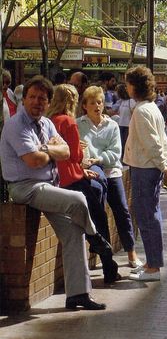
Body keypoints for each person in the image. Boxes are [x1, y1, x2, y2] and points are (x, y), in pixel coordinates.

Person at [0, 75, 110, 310]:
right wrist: (51, 150)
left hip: (48, 186)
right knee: (79, 198)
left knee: (73, 232)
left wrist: (46, 148)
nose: (37, 102)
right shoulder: (15, 125)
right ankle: (96, 237)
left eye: (42, 98)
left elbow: (67, 151)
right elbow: (33, 160)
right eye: (32, 97)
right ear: (24, 99)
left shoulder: (47, 123)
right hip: (24, 188)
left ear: (49, 102)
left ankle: (78, 294)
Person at [47, 84, 122, 284]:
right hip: (74, 180)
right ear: (72, 101)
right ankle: (108, 266)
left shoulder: (49, 121)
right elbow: (76, 155)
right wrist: (79, 150)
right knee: (98, 219)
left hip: (57, 180)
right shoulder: (69, 122)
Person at [77, 86, 141, 271]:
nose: (97, 106)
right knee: (98, 213)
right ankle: (103, 254)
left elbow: (115, 154)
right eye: (92, 103)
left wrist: (98, 158)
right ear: (84, 106)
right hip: (92, 174)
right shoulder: (78, 124)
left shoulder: (112, 124)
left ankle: (131, 251)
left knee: (122, 211)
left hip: (111, 173)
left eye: (99, 102)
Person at [124, 66, 167, 281]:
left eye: (128, 83)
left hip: (145, 168)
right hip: (147, 167)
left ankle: (153, 266)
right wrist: (165, 164)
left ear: (134, 86)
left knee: (146, 216)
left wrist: (164, 166)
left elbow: (153, 144)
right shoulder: (150, 108)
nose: (126, 87)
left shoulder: (142, 111)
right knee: (150, 214)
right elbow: (162, 141)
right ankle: (151, 261)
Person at [112, 83, 136, 158]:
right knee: (121, 143)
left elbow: (133, 113)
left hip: (128, 126)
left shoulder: (131, 101)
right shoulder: (121, 101)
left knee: (126, 143)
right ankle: (122, 157)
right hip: (121, 125)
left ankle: (127, 158)